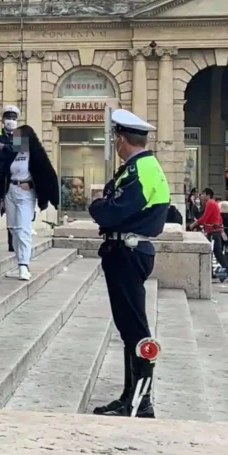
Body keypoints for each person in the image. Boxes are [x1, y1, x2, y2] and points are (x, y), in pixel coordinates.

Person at [89, 109, 170, 418]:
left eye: (116, 138)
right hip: (127, 251)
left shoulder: (141, 171)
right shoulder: (139, 167)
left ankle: (141, 401)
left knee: (136, 331)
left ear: (121, 139)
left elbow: (108, 211)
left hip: (129, 252)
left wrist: (98, 204)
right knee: (129, 330)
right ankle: (129, 396)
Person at [0, 112, 59, 281]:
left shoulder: (35, 155)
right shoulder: (12, 154)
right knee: (14, 229)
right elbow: (2, 167)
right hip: (11, 193)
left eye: (18, 137)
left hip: (25, 193)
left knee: (23, 229)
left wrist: (34, 186)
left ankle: (24, 265)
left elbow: (47, 175)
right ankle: (19, 262)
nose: (15, 139)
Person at [0, 106, 20, 252]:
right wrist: (10, 149)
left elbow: (21, 155)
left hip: (14, 179)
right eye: (8, 118)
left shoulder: (21, 135)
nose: (11, 121)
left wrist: (5, 148)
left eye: (14, 118)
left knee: (13, 211)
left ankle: (12, 244)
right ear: (2, 120)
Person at [190, 188, 228, 274]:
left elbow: (205, 218)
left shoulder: (210, 204)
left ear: (208, 195)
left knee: (216, 252)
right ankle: (221, 271)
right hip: (214, 231)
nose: (201, 195)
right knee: (215, 252)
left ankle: (225, 271)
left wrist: (194, 224)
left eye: (203, 194)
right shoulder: (212, 203)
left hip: (213, 231)